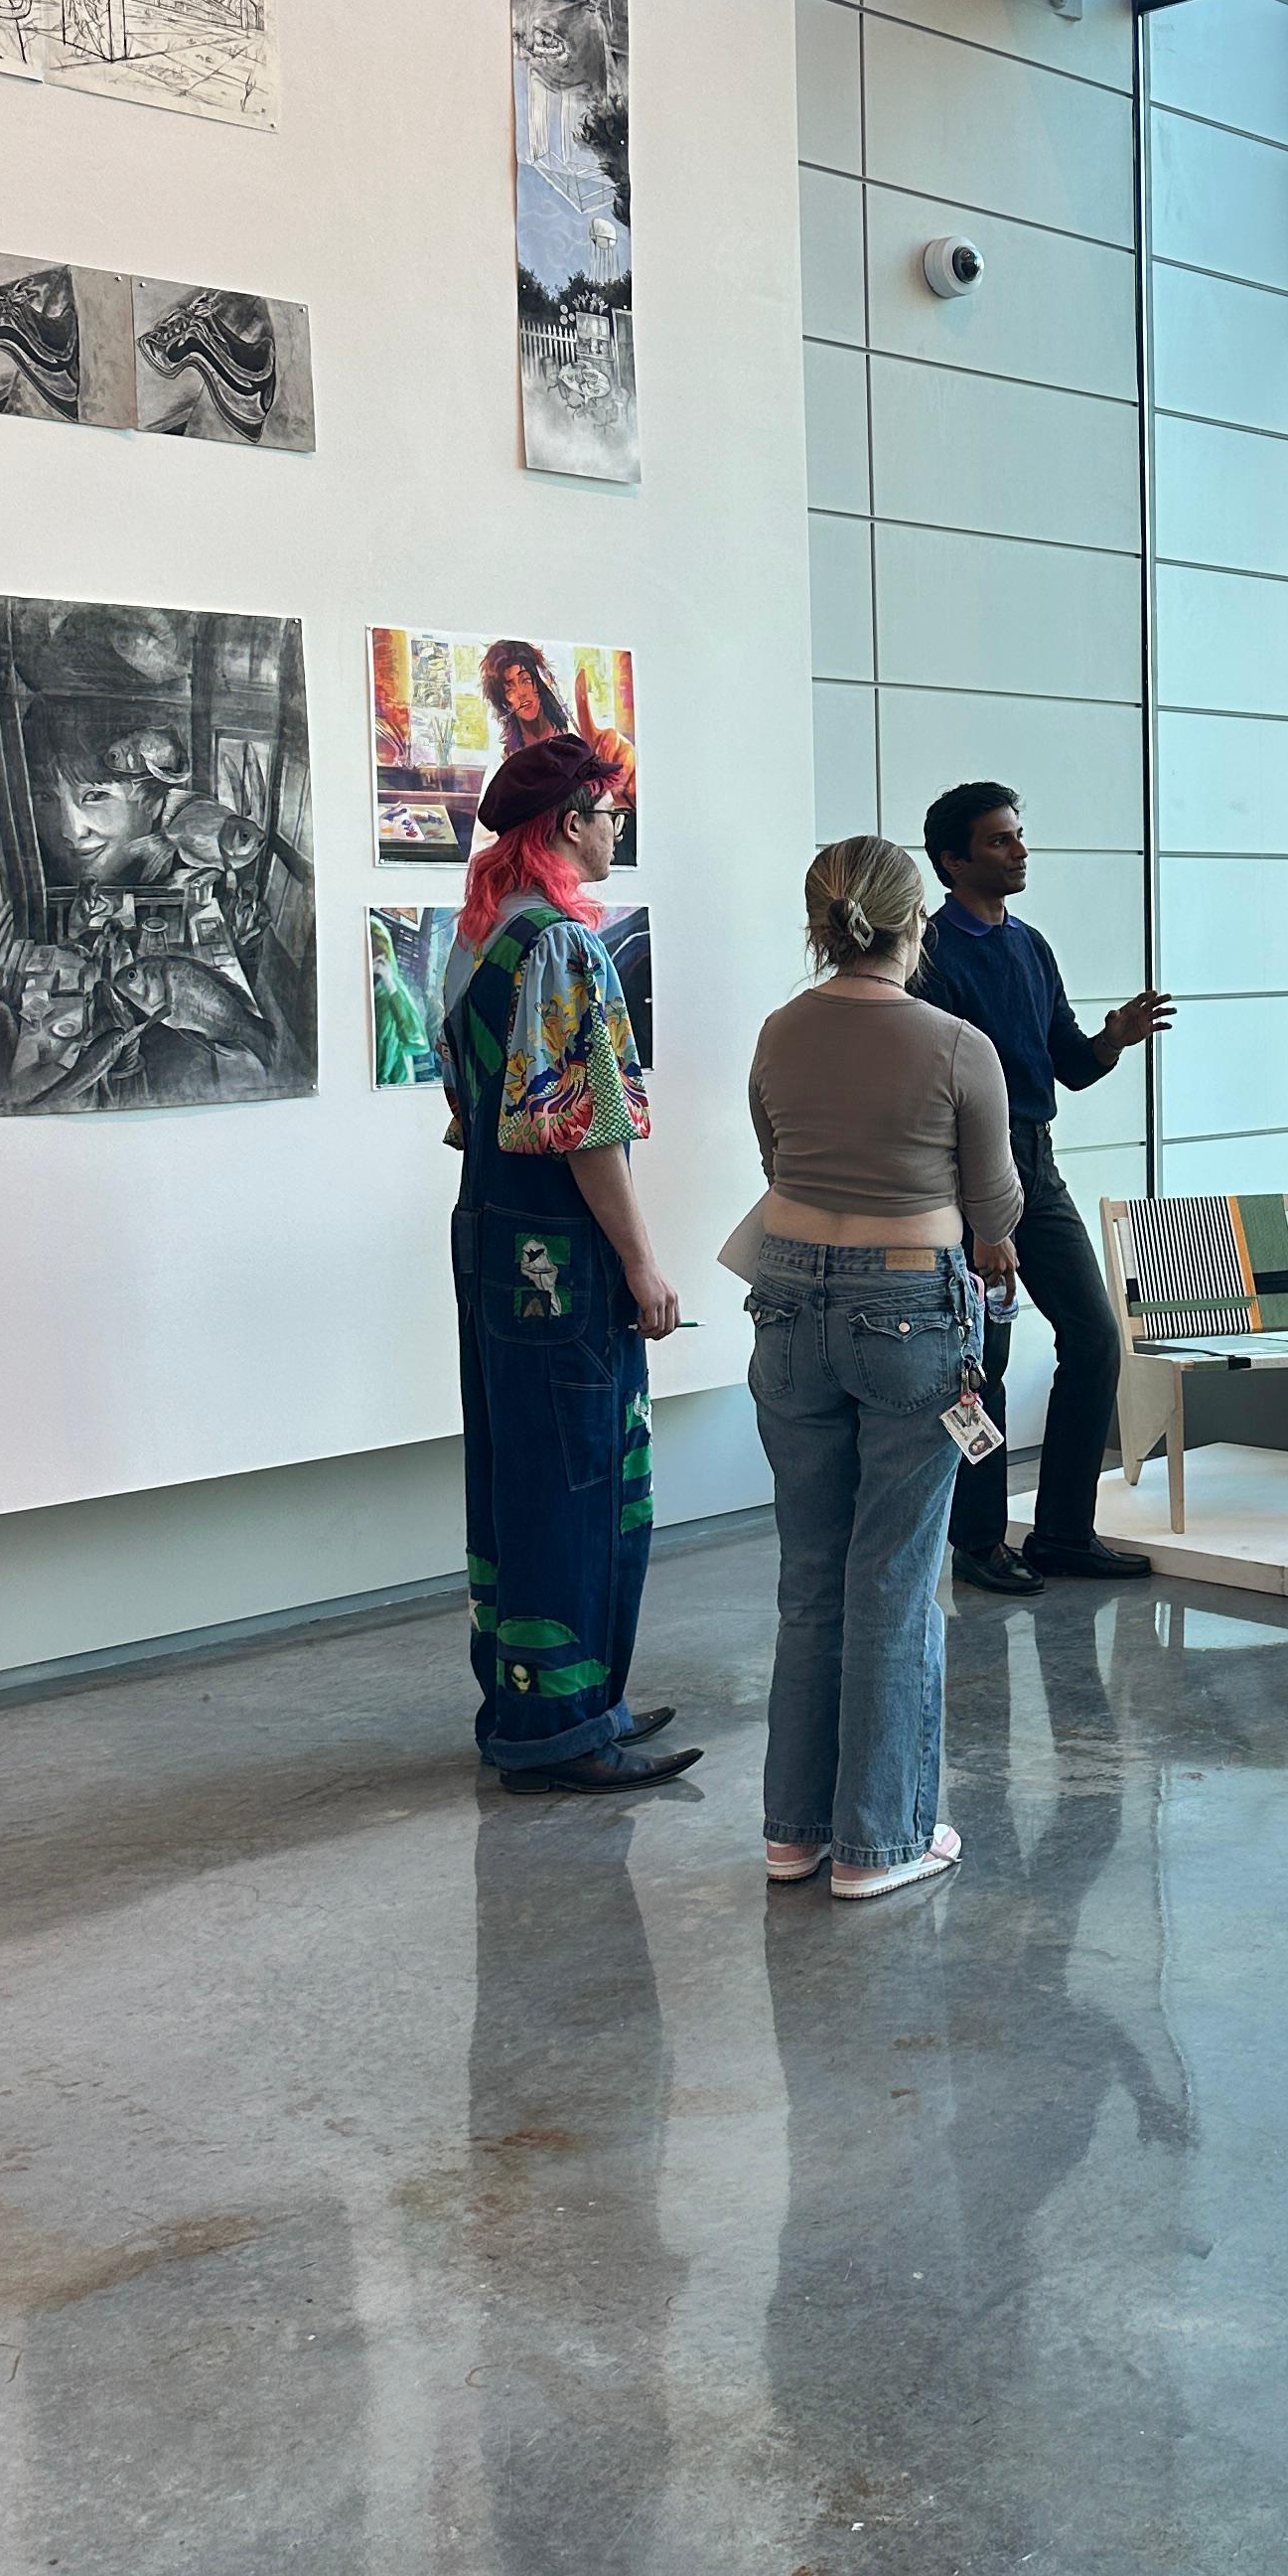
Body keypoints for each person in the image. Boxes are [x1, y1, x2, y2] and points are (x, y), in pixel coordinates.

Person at [743, 836, 1023, 1897]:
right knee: (896, 1579)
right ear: (917, 924)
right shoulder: (955, 1045)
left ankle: (793, 1833)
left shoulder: (780, 1030)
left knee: (810, 1577)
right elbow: (994, 1207)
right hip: (909, 1306)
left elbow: (776, 1162)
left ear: (822, 923)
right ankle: (881, 1841)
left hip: (784, 1303)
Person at [435, 729, 690, 1793]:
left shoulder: (478, 938)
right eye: (608, 813)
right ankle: (565, 1727)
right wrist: (642, 1263)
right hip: (561, 1252)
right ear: (569, 823)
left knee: (519, 1470)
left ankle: (538, 1699)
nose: (616, 829)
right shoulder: (564, 948)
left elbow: (467, 1115)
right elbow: (586, 1133)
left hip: (491, 1234)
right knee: (581, 1477)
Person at [913, 781, 1173, 1593]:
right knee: (978, 1367)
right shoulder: (929, 956)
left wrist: (1113, 1039)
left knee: (1094, 1340)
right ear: (954, 861)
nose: (1020, 850)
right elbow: (938, 1095)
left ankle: (1063, 1533)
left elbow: (1069, 1065)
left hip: (1035, 1166)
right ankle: (978, 1541)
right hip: (964, 1174)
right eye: (1000, 840)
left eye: (1018, 835)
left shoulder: (1030, 945)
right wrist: (976, 1211)